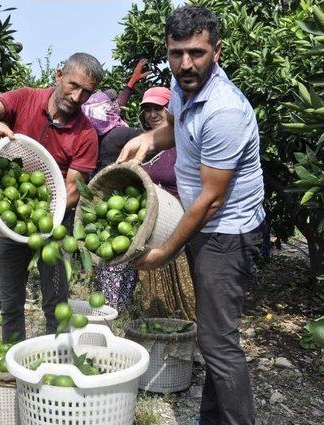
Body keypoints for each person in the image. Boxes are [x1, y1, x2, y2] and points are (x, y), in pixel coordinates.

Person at [117, 6, 265, 425]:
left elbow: (210, 200)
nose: (185, 63)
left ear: (217, 51)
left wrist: (165, 251)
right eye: (176, 52)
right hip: (207, 227)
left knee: (220, 345)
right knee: (212, 338)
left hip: (226, 233)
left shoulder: (225, 111)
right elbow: (177, 128)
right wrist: (149, 138)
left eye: (197, 53)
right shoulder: (183, 86)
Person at [0, 53, 103, 342]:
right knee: (10, 302)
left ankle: (56, 360)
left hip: (53, 221)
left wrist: (42, 220)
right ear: (59, 74)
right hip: (11, 219)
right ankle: (12, 360)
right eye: (73, 85)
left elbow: (71, 190)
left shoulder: (86, 134)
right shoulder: (24, 99)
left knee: (56, 303)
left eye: (87, 92)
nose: (76, 96)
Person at [135, 87, 196, 321]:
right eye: (147, 110)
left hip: (175, 224)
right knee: (154, 295)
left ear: (171, 111)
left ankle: (189, 335)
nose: (152, 115)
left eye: (158, 108)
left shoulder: (183, 143)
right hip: (150, 227)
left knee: (183, 292)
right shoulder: (142, 145)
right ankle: (159, 338)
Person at [80, 90, 140, 308]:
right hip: (120, 197)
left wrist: (130, 85)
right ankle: (117, 305)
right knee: (122, 257)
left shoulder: (93, 135)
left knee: (110, 256)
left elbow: (111, 107)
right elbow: (151, 139)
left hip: (102, 201)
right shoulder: (119, 135)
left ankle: (112, 303)